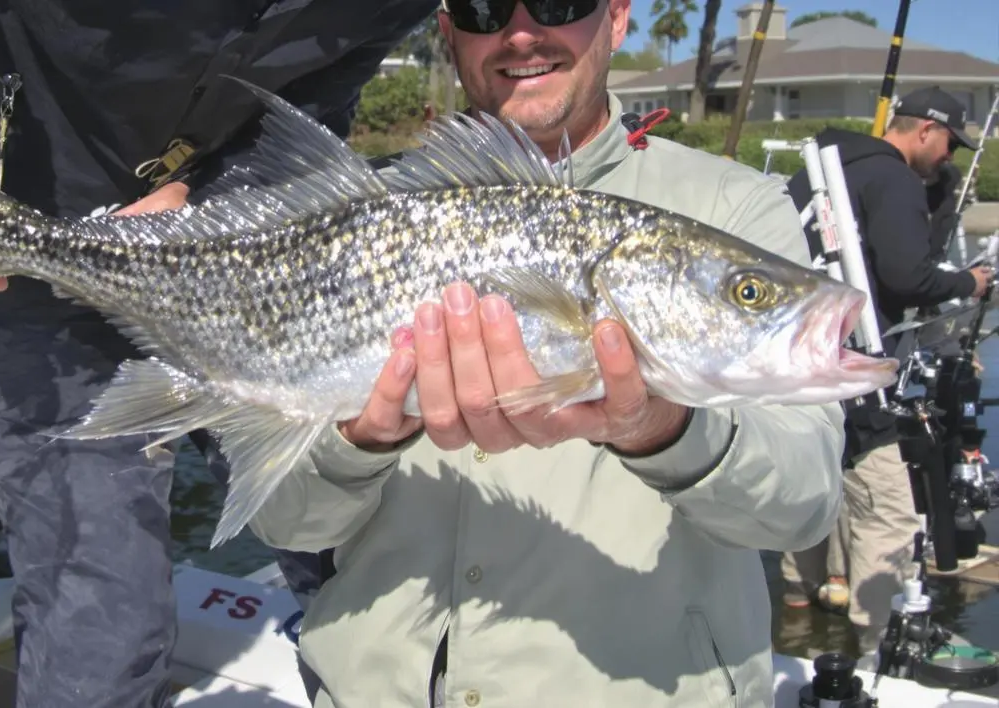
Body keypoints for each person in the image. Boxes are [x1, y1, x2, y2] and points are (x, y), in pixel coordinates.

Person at [0, 2, 437, 707]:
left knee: (373, 580)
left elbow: (318, 93)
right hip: (26, 249)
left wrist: (209, 196)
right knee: (99, 634)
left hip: (264, 266)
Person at [245, 1, 847, 705]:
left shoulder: (736, 205)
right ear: (449, 34)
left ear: (616, 17)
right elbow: (286, 525)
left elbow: (802, 507)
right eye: (484, 7)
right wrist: (362, 441)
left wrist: (664, 430)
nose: (523, 33)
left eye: (561, 1)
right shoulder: (350, 217)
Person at [780, 87, 990, 653]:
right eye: (950, 143)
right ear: (925, 130)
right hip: (856, 370)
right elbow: (908, 276)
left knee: (812, 488)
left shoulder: (818, 169)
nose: (950, 156)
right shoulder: (893, 178)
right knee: (891, 513)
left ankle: (796, 608)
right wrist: (968, 282)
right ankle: (880, 640)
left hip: (798, 364)